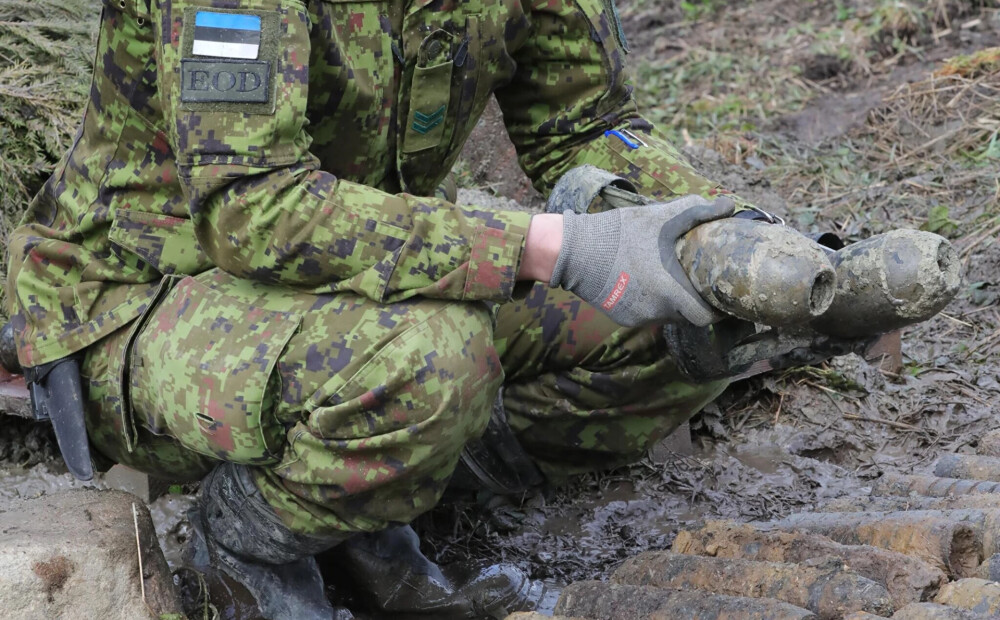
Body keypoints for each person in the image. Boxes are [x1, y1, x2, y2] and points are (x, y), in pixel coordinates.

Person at [5, 0, 752, 617]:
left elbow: (586, 123)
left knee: (678, 325)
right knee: (432, 362)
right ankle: (244, 541)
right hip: (142, 300)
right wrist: (547, 246)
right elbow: (251, 209)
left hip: (370, 276)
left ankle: (371, 493)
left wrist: (723, 241)